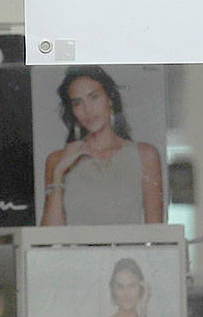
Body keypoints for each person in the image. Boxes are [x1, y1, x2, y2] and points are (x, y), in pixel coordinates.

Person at [40, 66, 164, 226]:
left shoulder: (145, 155)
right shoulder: (57, 160)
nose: (88, 110)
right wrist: (58, 173)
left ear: (110, 98)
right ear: (72, 110)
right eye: (78, 103)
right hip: (74, 251)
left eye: (94, 97)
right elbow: (49, 239)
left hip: (130, 251)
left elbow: (157, 233)